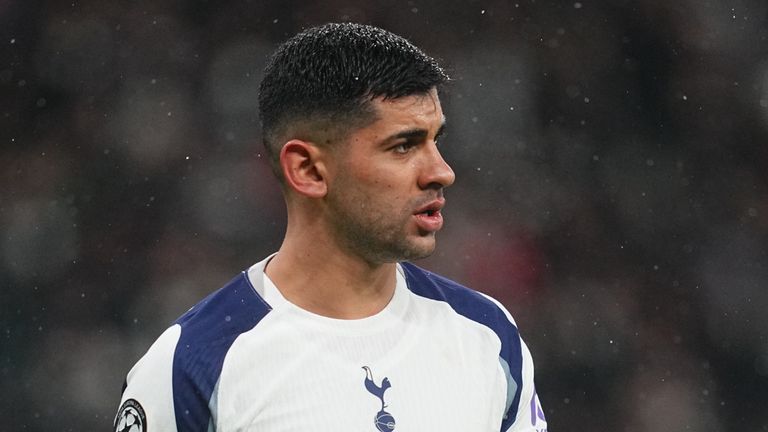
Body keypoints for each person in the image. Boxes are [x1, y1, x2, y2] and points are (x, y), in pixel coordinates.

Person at [114, 22, 548, 432]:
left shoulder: (486, 335)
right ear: (308, 170)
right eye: (403, 146)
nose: (441, 171)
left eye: (436, 141)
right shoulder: (193, 365)